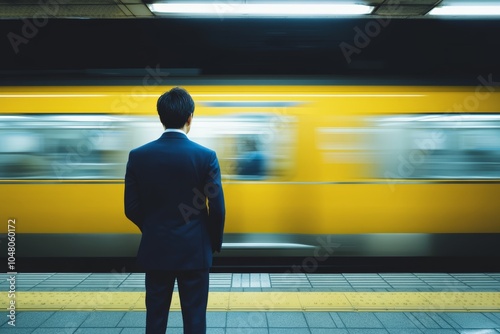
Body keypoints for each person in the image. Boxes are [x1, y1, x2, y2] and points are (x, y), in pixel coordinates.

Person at [124, 87, 225, 334]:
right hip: (195, 252)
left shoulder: (138, 156)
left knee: (156, 319)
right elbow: (218, 208)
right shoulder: (206, 156)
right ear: (190, 117)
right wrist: (212, 242)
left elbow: (131, 208)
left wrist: (153, 229)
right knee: (195, 319)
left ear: (161, 118)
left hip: (156, 250)